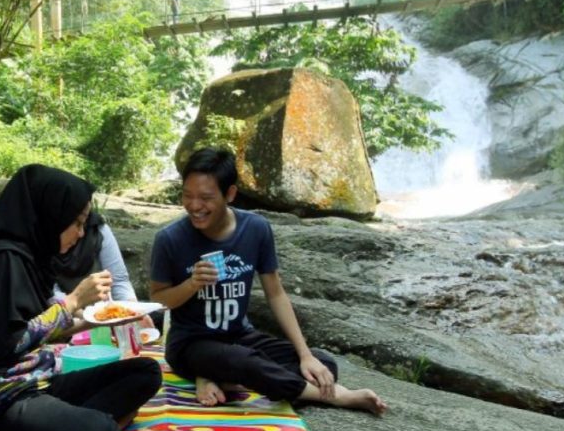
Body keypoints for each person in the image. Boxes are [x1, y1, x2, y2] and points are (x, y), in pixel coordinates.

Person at [0, 164, 162, 431]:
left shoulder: (31, 257)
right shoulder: (2, 260)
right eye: (75, 223)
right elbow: (6, 345)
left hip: (42, 379)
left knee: (146, 372)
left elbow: (44, 331)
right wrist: (74, 301)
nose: (80, 233)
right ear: (49, 214)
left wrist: (98, 320)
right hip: (4, 398)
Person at [149, 148, 387, 414]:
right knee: (243, 362)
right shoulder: (170, 238)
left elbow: (275, 293)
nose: (194, 206)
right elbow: (158, 299)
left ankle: (214, 377)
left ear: (230, 194)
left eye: (205, 198)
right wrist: (191, 284)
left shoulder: (255, 228)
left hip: (239, 336)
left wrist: (305, 354)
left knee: (323, 364)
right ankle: (333, 397)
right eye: (187, 196)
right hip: (190, 345)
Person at [50, 210, 156, 330]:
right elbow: (51, 295)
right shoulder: (41, 243)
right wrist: (90, 317)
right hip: (63, 321)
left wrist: (134, 311)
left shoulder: (97, 229)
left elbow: (119, 280)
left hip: (102, 318)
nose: (81, 233)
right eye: (78, 224)